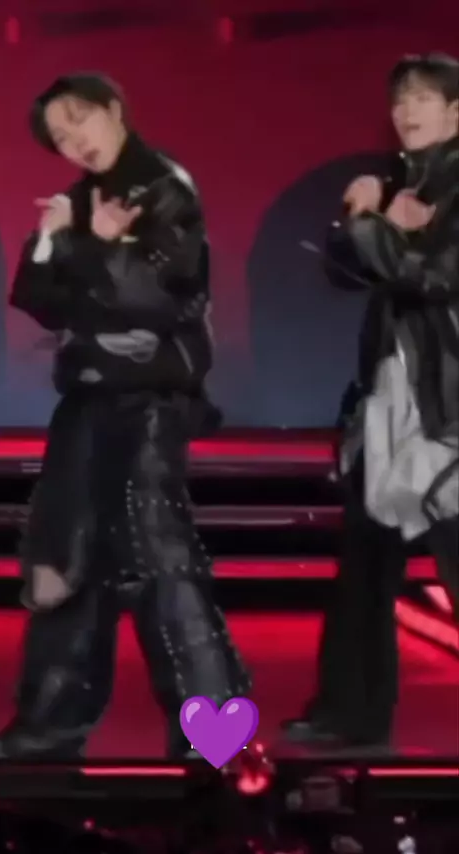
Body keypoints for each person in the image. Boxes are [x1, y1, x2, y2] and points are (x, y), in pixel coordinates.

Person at [0, 73, 250, 760]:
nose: (75, 142)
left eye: (80, 121)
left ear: (113, 109)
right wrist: (56, 240)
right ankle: (48, 726)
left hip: (148, 398)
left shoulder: (163, 188)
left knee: (156, 552)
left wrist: (91, 253)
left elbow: (154, 296)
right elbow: (39, 298)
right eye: (60, 137)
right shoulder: (79, 201)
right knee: (67, 556)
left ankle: (214, 731)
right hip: (90, 397)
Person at [283, 52, 459, 752]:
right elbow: (347, 271)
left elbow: (434, 281)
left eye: (423, 99)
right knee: (364, 558)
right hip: (389, 394)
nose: (407, 112)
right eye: (399, 101)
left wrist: (379, 226)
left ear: (457, 111)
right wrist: (364, 219)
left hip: (444, 404)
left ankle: (349, 712)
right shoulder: (399, 181)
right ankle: (349, 713)